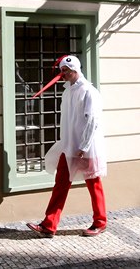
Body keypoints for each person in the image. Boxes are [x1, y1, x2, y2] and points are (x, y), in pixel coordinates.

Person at [26, 55, 107, 237]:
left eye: (67, 70)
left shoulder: (89, 91)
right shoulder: (67, 91)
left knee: (94, 184)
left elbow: (92, 121)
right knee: (60, 184)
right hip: (69, 146)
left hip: (86, 148)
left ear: (76, 69)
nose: (64, 74)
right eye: (62, 71)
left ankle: (100, 222)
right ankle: (48, 225)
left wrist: (84, 147)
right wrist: (67, 143)